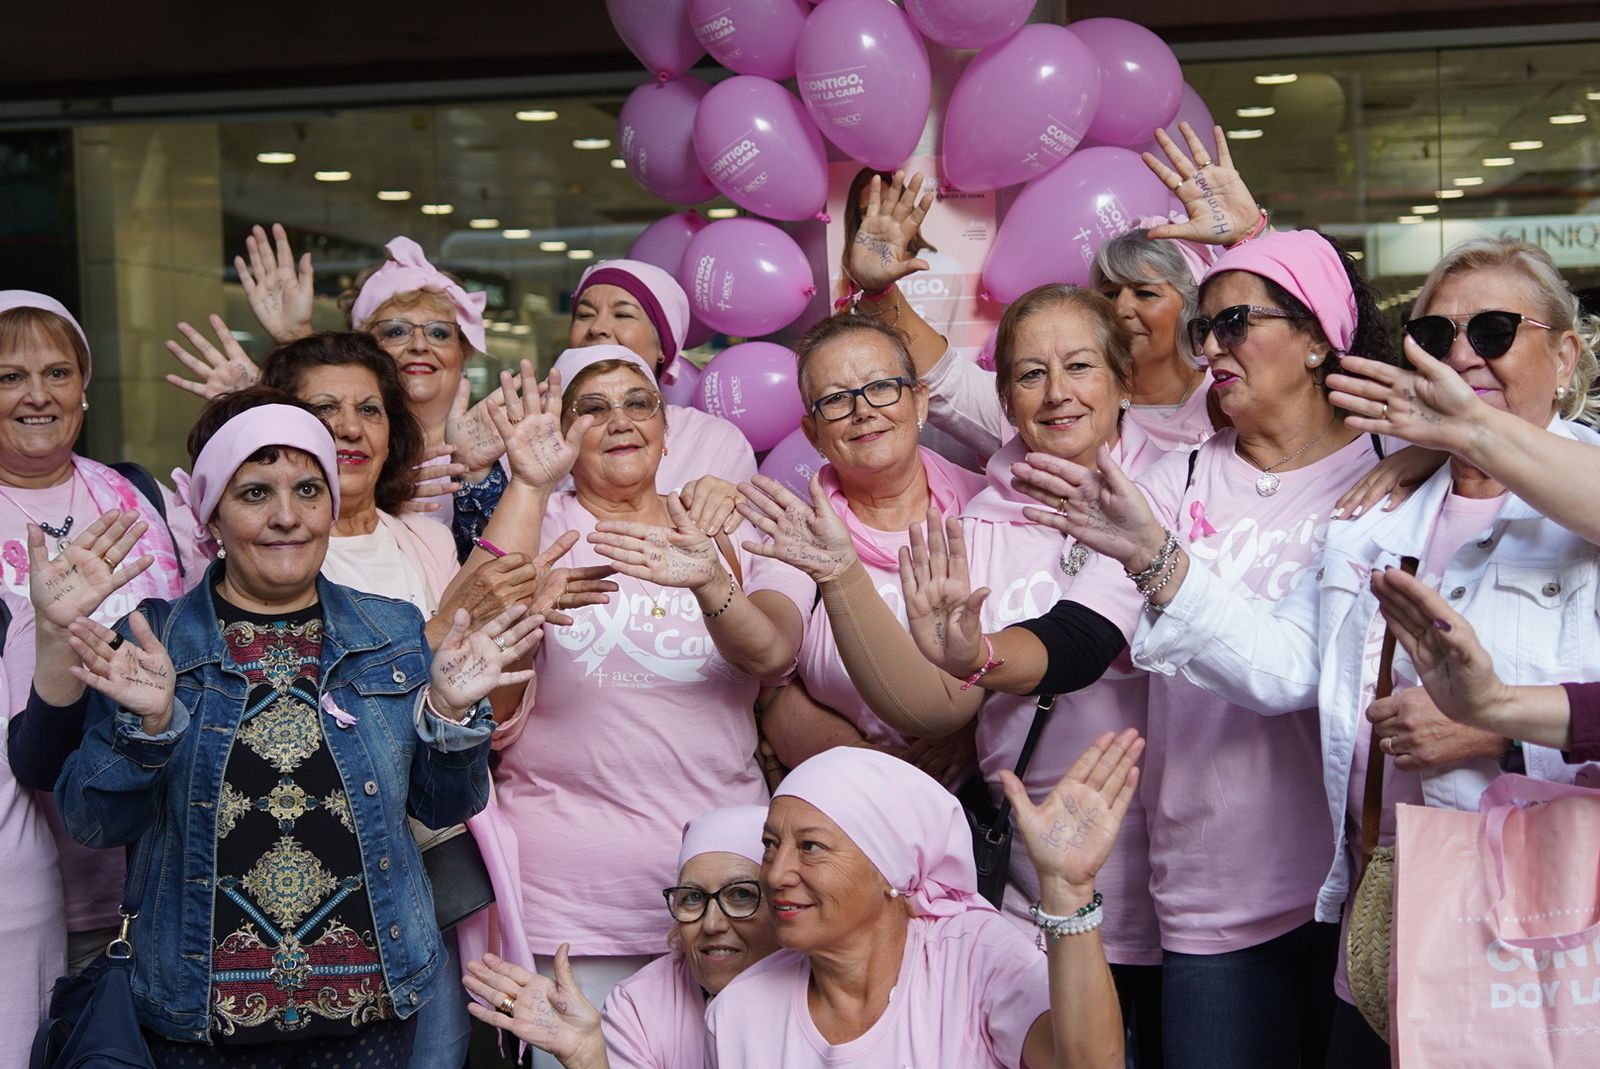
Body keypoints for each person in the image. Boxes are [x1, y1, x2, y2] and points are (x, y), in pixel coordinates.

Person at [1036, 235, 1600, 1067]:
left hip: (1563, 912)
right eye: (1436, 338)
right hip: (1403, 904)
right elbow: (1287, 665)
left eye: (1491, 331)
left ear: (1564, 351)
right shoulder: (1382, 512)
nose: (1460, 358)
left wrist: (1501, 730)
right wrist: (1157, 557)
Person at [965, 229, 1395, 1067]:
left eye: (1236, 321)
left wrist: (1420, 453)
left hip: (1357, 885)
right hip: (1209, 890)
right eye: (1205, 326)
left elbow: (1296, 672)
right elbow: (1086, 635)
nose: (1209, 346)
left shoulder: (1391, 470)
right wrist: (972, 652)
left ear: (1316, 338)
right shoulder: (1176, 479)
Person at [31, 387, 543, 1065]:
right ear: (211, 514)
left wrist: (450, 717)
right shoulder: (154, 639)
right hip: (200, 1025)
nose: (285, 516)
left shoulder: (390, 631)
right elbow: (90, 822)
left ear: (332, 503)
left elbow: (441, 805)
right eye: (254, 493)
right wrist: (149, 728)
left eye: (308, 489)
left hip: (372, 1014)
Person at [744, 286, 1168, 1062]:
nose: (1057, 391)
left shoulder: (1163, 486)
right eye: (1031, 375)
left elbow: (1074, 641)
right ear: (1005, 399)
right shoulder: (992, 508)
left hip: (1164, 863)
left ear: (1124, 381)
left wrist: (974, 663)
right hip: (1023, 860)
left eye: (1080, 366)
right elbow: (933, 699)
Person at [256, 332, 617, 1069]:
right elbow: (307, 719)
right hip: (313, 883)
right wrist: (455, 615)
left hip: (433, 870)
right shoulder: (267, 548)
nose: (351, 427)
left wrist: (515, 636)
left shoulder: (421, 536)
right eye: (322, 409)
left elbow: (484, 721)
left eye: (369, 408)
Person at [476, 344, 810, 1061]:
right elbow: (484, 706)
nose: (618, 420)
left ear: (667, 429)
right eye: (590, 409)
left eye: (638, 403)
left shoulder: (728, 527)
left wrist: (706, 579)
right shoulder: (539, 529)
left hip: (730, 893)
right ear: (563, 435)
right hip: (572, 901)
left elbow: (776, 653)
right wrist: (520, 627)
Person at [703, 732, 1142, 1068]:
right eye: (770, 844)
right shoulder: (739, 1012)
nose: (776, 873)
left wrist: (1066, 892)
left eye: (811, 847)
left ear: (890, 867)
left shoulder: (970, 953)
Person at [0, 290, 205, 976]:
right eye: (9, 376)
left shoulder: (136, 492)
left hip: (163, 867)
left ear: (84, 388)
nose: (37, 395)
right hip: (26, 876)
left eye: (57, 372)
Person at [843, 127, 1262, 461]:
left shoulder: (1232, 396)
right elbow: (946, 379)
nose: (1121, 309)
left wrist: (1251, 235)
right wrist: (879, 290)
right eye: (1110, 292)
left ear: (1192, 307)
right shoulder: (1050, 402)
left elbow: (1318, 349)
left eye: (1145, 294)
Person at [737, 314, 984, 777]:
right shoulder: (799, 537)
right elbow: (770, 685)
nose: (863, 410)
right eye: (835, 400)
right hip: (847, 796)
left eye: (882, 387)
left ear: (920, 402)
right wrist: (864, 761)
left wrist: (974, 735)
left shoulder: (987, 508)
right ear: (813, 434)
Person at [461, 804, 778, 1069]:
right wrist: (592, 1058)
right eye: (692, 898)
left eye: (740, 895)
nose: (711, 923)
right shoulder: (640, 1004)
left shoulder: (820, 995)